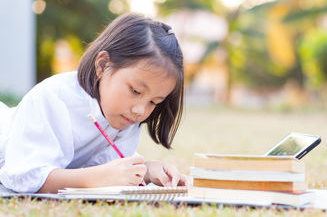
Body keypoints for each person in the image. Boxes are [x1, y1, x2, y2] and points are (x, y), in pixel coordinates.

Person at [0, 13, 187, 193]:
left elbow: (101, 167)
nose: (140, 110)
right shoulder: (52, 98)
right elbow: (25, 178)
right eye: (135, 91)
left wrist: (147, 171)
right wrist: (98, 178)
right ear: (103, 64)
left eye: (154, 102)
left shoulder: (125, 117)